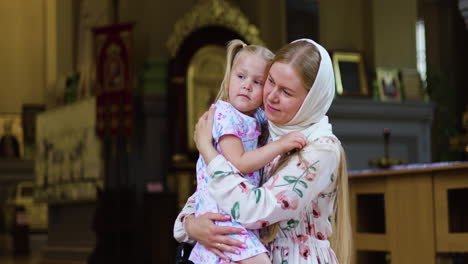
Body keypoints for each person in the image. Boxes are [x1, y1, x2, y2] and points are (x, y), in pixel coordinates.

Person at [174, 38, 352, 264]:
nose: (271, 96)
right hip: (249, 251)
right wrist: (191, 225)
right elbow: (206, 195)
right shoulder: (260, 129)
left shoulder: (322, 148)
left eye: (286, 92)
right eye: (270, 81)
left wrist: (208, 150)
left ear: (312, 101)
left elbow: (253, 209)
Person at [186, 39, 308, 264]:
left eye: (258, 82)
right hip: (222, 210)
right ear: (229, 77)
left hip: (238, 209)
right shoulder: (225, 115)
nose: (247, 85)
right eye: (241, 77)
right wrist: (280, 145)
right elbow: (240, 161)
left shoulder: (256, 117)